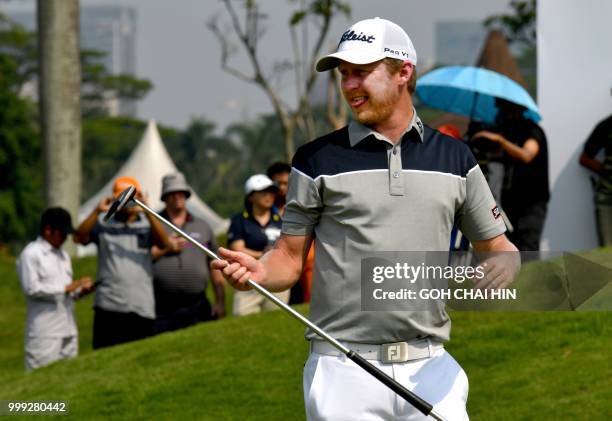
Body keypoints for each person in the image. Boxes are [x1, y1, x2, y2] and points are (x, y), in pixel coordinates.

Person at [213, 17, 518, 420]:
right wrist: (260, 270)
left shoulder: (454, 158)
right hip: (343, 368)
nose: (350, 86)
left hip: (431, 366)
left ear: (402, 72)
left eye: (362, 73)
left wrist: (503, 263)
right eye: (345, 75)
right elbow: (288, 257)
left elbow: (497, 247)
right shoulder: (315, 159)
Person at [74, 176, 169, 349]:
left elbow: (164, 244)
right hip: (109, 306)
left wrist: (147, 211)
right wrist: (97, 211)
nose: (126, 203)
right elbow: (79, 238)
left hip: (141, 306)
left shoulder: (147, 224)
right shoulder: (103, 223)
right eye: (122, 198)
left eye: (130, 198)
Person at [16, 207, 94, 371]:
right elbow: (32, 288)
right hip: (45, 332)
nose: (66, 237)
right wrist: (67, 287)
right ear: (48, 230)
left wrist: (79, 292)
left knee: (68, 378)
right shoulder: (31, 254)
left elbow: (66, 293)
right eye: (62, 232)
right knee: (40, 380)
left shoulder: (63, 256)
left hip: (68, 328)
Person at [470, 98, 550, 251]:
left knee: (527, 247)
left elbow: (527, 155)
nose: (501, 113)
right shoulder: (510, 132)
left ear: (515, 108)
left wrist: (500, 141)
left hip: (531, 201)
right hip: (509, 201)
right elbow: (499, 156)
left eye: (503, 108)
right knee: (509, 249)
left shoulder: (532, 131)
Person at [151, 172, 226, 333]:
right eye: (172, 193)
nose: (177, 197)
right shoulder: (154, 224)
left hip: (197, 304)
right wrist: (165, 248)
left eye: (181, 192)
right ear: (165, 197)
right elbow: (143, 257)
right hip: (162, 307)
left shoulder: (202, 226)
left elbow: (215, 266)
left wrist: (220, 301)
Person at [227, 174, 288, 316]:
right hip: (248, 279)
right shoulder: (240, 220)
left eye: (271, 191)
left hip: (276, 277)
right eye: (263, 192)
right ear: (250, 197)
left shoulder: (281, 220)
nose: (269, 195)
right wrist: (263, 254)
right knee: (242, 317)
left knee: (277, 319)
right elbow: (237, 248)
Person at [579, 113, 612, 246]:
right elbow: (585, 158)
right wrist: (607, 170)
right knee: (607, 252)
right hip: (607, 198)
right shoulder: (606, 126)